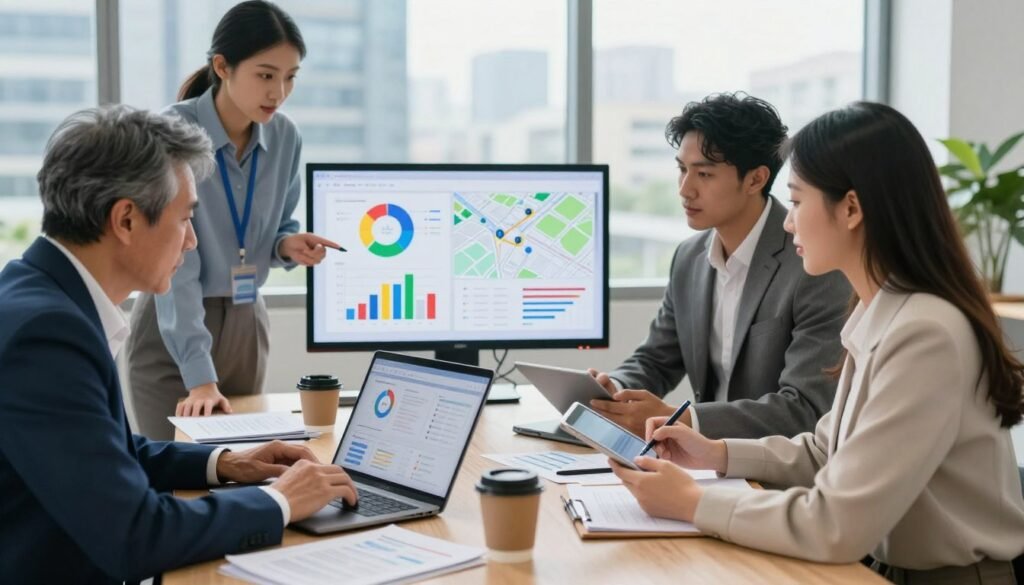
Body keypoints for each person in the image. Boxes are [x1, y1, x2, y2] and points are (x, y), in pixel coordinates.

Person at [611, 102, 1024, 583]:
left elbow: (836, 524)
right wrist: (715, 452)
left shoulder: (924, 332)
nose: (787, 222)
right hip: (885, 566)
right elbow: (825, 452)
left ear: (851, 208)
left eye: (798, 201)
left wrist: (694, 501)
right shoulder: (879, 308)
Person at [0, 106, 358, 584]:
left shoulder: (40, 296)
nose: (191, 242)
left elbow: (106, 454)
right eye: (185, 218)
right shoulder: (46, 336)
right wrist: (281, 500)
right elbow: (135, 534)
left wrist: (229, 464)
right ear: (126, 220)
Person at [126, 0, 339, 439]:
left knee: (240, 475)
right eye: (265, 75)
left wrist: (286, 245)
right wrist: (200, 376)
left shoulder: (285, 136)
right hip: (175, 324)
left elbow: (279, 223)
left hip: (246, 322)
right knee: (177, 482)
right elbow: (174, 264)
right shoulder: (172, 132)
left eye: (290, 77)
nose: (278, 92)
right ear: (222, 66)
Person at [589, 93, 850, 438]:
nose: (685, 190)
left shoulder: (813, 263)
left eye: (705, 174)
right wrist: (614, 390)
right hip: (706, 463)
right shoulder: (689, 257)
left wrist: (682, 419)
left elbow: (803, 408)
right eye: (682, 169)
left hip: (774, 472)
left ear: (756, 179)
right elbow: (656, 360)